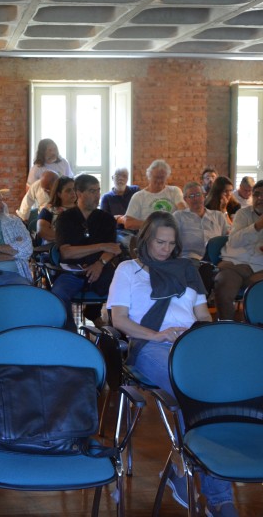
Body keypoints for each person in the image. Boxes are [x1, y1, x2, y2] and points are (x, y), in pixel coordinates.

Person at [107, 211, 237, 517]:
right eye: (159, 242)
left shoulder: (187, 269)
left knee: (219, 393)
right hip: (151, 345)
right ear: (145, 240)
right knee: (193, 392)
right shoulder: (128, 269)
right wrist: (158, 333)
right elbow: (119, 320)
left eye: (170, 243)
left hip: (190, 345)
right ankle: (219, 497)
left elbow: (203, 316)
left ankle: (184, 470)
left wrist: (204, 339)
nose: (165, 249)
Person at [52, 174, 121, 329]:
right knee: (57, 294)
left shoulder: (106, 218)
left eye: (98, 191)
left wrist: (100, 263)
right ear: (79, 193)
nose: (97, 196)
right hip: (72, 272)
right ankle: (69, 333)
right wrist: (101, 246)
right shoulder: (65, 218)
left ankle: (116, 333)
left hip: (100, 270)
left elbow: (113, 249)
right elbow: (67, 253)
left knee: (122, 288)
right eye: (92, 191)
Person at [213, 179, 263, 321]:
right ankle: (225, 327)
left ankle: (253, 331)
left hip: (260, 268)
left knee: (258, 295)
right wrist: (257, 226)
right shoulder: (243, 214)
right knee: (222, 284)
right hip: (235, 264)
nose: (260, 198)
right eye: (257, 194)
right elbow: (234, 241)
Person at [174, 182, 229, 263]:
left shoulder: (218, 216)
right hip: (189, 260)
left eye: (198, 194)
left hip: (216, 260)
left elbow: (227, 238)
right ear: (185, 199)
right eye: (191, 196)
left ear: (204, 196)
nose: (196, 198)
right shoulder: (179, 216)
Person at [124, 159, 185, 231]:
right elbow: (128, 223)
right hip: (149, 237)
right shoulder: (139, 196)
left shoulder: (174, 191)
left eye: (162, 178)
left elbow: (182, 209)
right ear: (149, 176)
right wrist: (154, 225)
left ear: (166, 177)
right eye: (156, 177)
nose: (159, 180)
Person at [36, 175, 76, 243]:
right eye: (68, 190)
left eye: (75, 189)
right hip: (55, 248)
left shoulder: (83, 209)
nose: (73, 192)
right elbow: (42, 232)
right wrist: (70, 237)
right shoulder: (48, 210)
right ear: (59, 194)